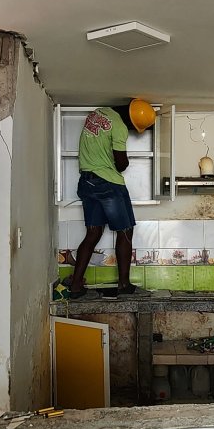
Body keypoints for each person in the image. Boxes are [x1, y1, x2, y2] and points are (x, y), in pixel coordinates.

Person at [63, 99, 156, 299]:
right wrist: (124, 160)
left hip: (87, 182)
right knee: (125, 230)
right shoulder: (120, 127)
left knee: (93, 233)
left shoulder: (96, 113)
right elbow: (121, 164)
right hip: (108, 184)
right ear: (132, 122)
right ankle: (124, 285)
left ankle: (77, 285)